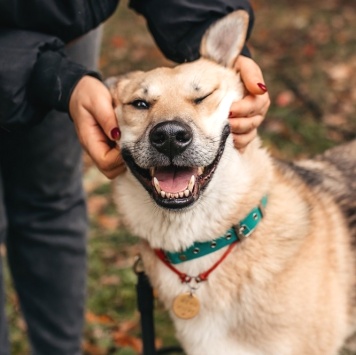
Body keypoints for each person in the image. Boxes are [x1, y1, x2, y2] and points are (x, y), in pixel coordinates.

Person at [0, 0, 270, 354]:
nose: (169, 127)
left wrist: (208, 24)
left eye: (200, 97)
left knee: (50, 200)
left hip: (65, 25)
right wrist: (60, 80)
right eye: (142, 105)